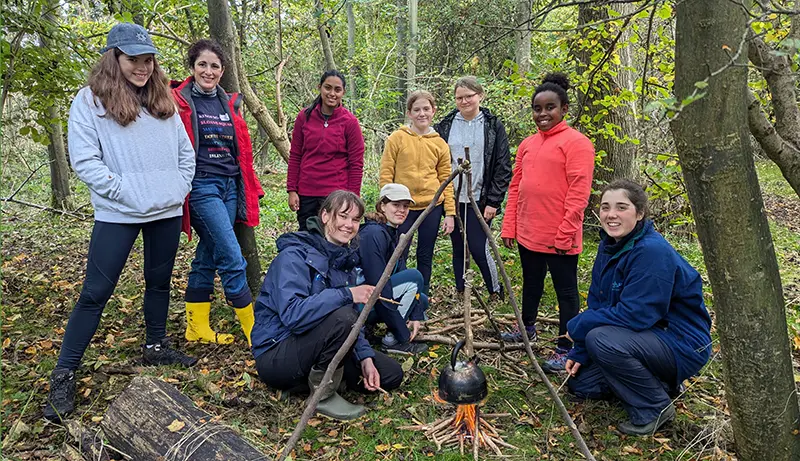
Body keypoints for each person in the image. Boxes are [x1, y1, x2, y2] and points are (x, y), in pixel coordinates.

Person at [44, 23, 197, 422]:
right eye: (133, 59)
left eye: (148, 60)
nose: (143, 67)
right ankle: (63, 375)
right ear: (114, 58)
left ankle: (156, 345)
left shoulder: (162, 101)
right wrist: (124, 191)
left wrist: (177, 187)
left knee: (159, 281)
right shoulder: (89, 102)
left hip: (165, 209)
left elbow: (185, 152)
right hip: (118, 213)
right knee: (95, 292)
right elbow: (85, 161)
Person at [565, 179, 712, 435]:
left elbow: (637, 315)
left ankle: (655, 408)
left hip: (679, 342)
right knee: (583, 385)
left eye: (622, 207)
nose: (611, 215)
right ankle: (659, 383)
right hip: (643, 337)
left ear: (640, 213)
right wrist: (580, 351)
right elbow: (598, 302)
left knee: (600, 339)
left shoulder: (652, 252)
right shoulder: (610, 245)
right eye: (605, 207)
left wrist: (579, 327)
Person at [251, 191, 403, 420]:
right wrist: (345, 294)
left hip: (317, 343)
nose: (349, 225)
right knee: (343, 316)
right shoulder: (294, 256)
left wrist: (365, 358)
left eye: (355, 220)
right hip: (277, 351)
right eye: (343, 216)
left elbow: (353, 323)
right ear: (325, 216)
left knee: (390, 374)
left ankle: (303, 383)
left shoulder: (344, 260)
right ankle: (323, 396)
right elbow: (293, 315)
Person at [499, 73, 595, 374]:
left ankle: (566, 346)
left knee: (566, 292)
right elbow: (516, 187)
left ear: (564, 109)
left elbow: (579, 192)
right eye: (537, 109)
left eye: (550, 107)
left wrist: (566, 232)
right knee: (531, 283)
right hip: (529, 232)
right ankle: (526, 327)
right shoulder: (527, 145)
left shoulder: (577, 144)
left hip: (560, 236)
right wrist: (510, 225)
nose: (543, 114)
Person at [171, 39, 264, 346]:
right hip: (201, 186)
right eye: (202, 65)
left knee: (207, 255)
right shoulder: (178, 101)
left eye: (214, 66)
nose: (208, 71)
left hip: (230, 186)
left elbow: (240, 150)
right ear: (193, 67)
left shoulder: (229, 103)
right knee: (232, 255)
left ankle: (196, 327)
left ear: (222, 71)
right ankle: (254, 331)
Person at [434, 76, 511, 299]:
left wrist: (494, 201)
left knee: (478, 246)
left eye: (469, 96)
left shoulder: (493, 125)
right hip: (453, 196)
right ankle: (461, 289)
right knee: (457, 245)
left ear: (480, 96)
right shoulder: (446, 125)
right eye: (460, 97)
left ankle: (495, 290)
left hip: (481, 196)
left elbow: (502, 165)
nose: (464, 101)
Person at [380, 90, 455, 295]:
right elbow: (386, 172)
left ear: (433, 111)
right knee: (398, 251)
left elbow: (446, 179)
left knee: (425, 254)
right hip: (403, 206)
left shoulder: (439, 143)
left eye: (426, 109)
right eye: (417, 110)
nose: (422, 113)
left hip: (431, 207)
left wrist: (450, 213)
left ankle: (421, 296)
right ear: (409, 113)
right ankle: (395, 292)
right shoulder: (397, 138)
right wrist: (385, 204)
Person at [287, 70, 365, 231]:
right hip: (307, 192)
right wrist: (292, 190)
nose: (332, 93)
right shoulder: (304, 117)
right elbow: (295, 155)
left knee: (335, 238)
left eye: (337, 90)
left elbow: (356, 164)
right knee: (307, 239)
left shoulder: (350, 122)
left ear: (343, 92)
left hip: (336, 194)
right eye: (327, 88)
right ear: (320, 88)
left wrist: (352, 198)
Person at [358, 184, 430, 355]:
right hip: (360, 304)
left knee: (422, 300)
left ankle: (388, 330)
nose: (402, 210)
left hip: (377, 300)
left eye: (405, 206)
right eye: (396, 205)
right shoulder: (373, 234)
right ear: (382, 206)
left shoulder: (391, 232)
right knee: (415, 277)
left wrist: (417, 313)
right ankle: (393, 340)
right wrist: (403, 335)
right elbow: (378, 286)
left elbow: (399, 272)